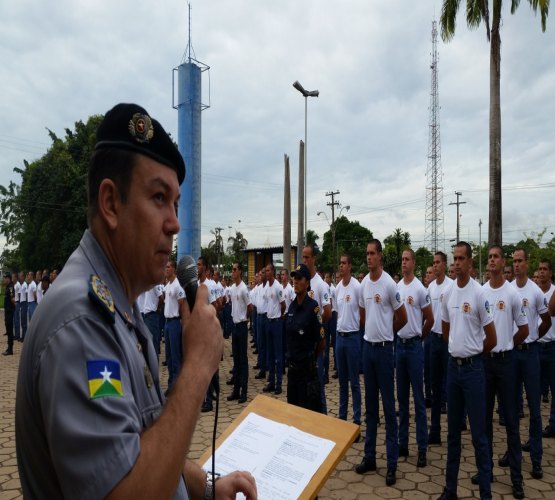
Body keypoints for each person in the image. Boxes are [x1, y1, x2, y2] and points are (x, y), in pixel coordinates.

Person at [15, 103, 257, 499]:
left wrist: (208, 487)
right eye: (159, 197)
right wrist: (197, 366)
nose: (174, 222)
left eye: (176, 203)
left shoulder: (119, 307)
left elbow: (138, 440)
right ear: (111, 203)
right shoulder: (81, 322)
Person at [438, 241, 497, 500]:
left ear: (471, 263)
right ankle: (450, 489)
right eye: (455, 258)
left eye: (462, 258)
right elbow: (446, 329)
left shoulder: (479, 294)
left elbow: (492, 338)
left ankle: (485, 493)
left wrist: (472, 352)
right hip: (454, 369)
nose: (457, 263)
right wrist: (457, 349)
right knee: (452, 435)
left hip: (474, 371)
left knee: (479, 436)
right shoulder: (449, 294)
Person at [355, 239, 407, 487]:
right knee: (371, 409)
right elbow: (363, 315)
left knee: (388, 408)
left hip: (386, 351)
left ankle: (392, 464)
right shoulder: (364, 283)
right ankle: (370, 457)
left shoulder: (389, 284)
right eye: (367, 254)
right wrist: (371, 336)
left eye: (373, 253)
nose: (369, 257)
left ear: (381, 256)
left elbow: (403, 317)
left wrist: (387, 332)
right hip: (368, 349)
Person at [478, 246, 528, 499]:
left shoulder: (512, 293)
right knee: (484, 421)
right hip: (486, 363)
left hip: (507, 363)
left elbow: (524, 330)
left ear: (503, 261)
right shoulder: (482, 292)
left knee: (510, 422)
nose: (492, 261)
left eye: (496, 256)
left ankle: (516, 479)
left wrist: (507, 342)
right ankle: (486, 472)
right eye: (489, 257)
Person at [501, 248, 551, 480]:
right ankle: (511, 453)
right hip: (512, 354)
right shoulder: (508, 290)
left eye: (521, 261)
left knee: (533, 408)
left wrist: (532, 338)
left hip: (530, 353)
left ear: (527, 263)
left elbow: (546, 321)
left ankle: (537, 459)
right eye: (515, 261)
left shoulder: (535, 291)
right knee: (510, 408)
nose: (517, 265)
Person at [396, 248, 433, 468]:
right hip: (400, 347)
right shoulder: (397, 287)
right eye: (402, 259)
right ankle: (402, 443)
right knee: (402, 400)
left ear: (414, 263)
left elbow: (430, 318)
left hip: (414, 348)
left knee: (418, 401)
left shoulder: (420, 288)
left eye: (407, 259)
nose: (403, 263)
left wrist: (420, 335)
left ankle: (421, 447)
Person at [285, 264, 325, 411]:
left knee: (307, 416)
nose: (295, 281)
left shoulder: (313, 308)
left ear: (307, 283)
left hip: (307, 375)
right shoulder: (291, 307)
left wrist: (311, 358)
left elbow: (321, 341)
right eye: (294, 278)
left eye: (299, 278)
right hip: (292, 373)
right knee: (293, 414)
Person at [335, 254, 364, 431]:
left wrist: (355, 330)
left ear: (350, 266)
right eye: (340, 263)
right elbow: (338, 313)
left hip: (353, 337)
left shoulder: (357, 287)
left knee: (354, 381)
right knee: (341, 381)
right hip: (340, 338)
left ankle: (356, 419)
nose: (341, 266)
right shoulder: (337, 288)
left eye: (344, 263)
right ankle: (341, 417)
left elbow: (362, 314)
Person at [302, 245, 332, 414]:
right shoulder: (302, 281)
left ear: (313, 259)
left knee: (318, 386)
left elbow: (327, 312)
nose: (305, 261)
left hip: (316, 342)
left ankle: (324, 421)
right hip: (303, 342)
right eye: (303, 257)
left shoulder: (320, 285)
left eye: (307, 257)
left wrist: (316, 325)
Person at [427, 251, 452, 445]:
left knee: (451, 385)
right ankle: (434, 429)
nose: (435, 266)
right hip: (433, 339)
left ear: (444, 264)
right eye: (433, 263)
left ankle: (456, 426)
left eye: (437, 263)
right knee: (435, 386)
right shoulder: (430, 288)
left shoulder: (451, 287)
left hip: (448, 341)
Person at [227, 262, 252, 404]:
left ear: (240, 272)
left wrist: (245, 320)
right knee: (236, 359)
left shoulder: (243, 289)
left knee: (243, 360)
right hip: (234, 326)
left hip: (241, 325)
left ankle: (244, 391)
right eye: (232, 269)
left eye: (235, 269)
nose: (233, 272)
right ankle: (236, 390)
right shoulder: (232, 288)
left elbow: (250, 307)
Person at [538, 259, 555, 438]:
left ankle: (553, 424)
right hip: (537, 346)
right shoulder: (534, 292)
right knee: (535, 391)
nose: (542, 272)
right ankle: (534, 431)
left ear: (550, 273)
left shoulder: (554, 292)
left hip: (551, 346)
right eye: (540, 269)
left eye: (545, 269)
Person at [262, 263, 285, 394]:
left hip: (276, 322)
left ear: (273, 272)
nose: (267, 273)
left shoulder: (278, 287)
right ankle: (271, 381)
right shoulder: (267, 287)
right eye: (266, 271)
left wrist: (280, 317)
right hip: (268, 322)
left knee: (278, 355)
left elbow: (283, 305)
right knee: (270, 354)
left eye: (269, 270)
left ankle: (279, 384)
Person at [3, 273, 16, 356]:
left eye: (5, 278)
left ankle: (10, 349)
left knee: (10, 330)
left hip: (9, 312)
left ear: (9, 279)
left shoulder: (10, 287)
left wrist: (14, 308)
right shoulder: (8, 286)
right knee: (8, 330)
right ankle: (9, 348)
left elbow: (12, 299)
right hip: (7, 311)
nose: (4, 280)